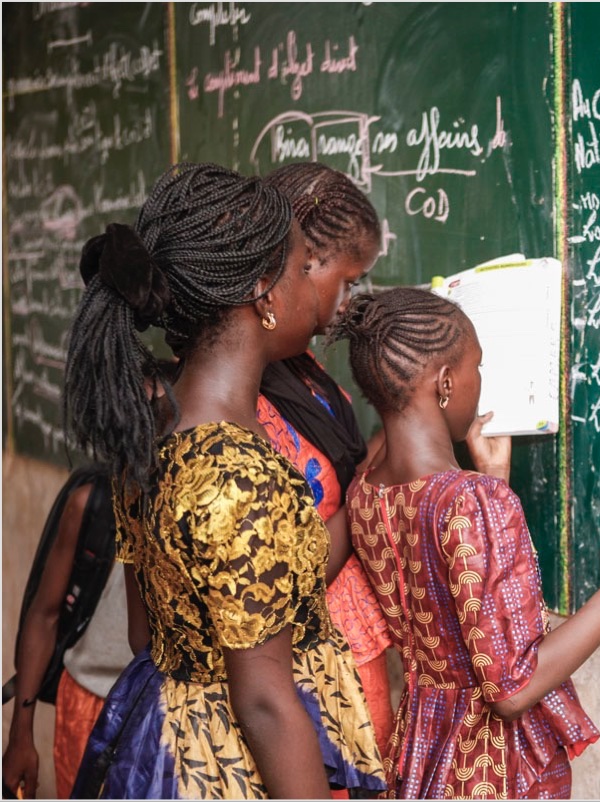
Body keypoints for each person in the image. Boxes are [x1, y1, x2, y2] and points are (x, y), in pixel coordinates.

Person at [62, 162, 387, 798]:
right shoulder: (237, 475)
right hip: (233, 769)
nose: (311, 287)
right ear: (264, 292)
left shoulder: (152, 435)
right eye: (301, 269)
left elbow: (144, 635)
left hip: (167, 746)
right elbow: (265, 703)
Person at [330, 287, 600, 799]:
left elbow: (452, 595)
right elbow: (513, 690)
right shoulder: (472, 502)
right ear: (444, 383)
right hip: (491, 767)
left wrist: (494, 479)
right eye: (477, 367)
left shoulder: (366, 490)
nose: (480, 383)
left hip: (424, 748)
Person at [258, 161, 396, 754]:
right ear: (302, 261)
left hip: (350, 654)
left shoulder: (306, 372)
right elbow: (294, 580)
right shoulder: (244, 402)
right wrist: (370, 481)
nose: (348, 302)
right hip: (308, 683)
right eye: (348, 281)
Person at [3, 363, 176, 800]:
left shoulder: (199, 509)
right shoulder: (93, 502)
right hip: (88, 705)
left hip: (168, 712)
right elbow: (43, 617)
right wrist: (21, 733)